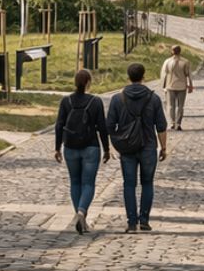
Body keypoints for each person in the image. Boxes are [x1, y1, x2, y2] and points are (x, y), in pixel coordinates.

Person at [106, 62, 169, 233]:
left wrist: (114, 144)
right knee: (147, 183)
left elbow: (109, 125)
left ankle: (131, 222)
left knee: (129, 184)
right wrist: (163, 147)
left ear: (128, 77)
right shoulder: (153, 99)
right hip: (148, 146)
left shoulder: (118, 99)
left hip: (127, 147)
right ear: (143, 76)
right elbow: (161, 126)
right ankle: (144, 220)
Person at [53, 67, 111, 234]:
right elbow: (102, 127)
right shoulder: (95, 101)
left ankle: (80, 217)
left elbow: (59, 125)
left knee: (75, 182)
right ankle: (81, 212)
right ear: (88, 83)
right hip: (91, 146)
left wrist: (57, 148)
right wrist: (106, 149)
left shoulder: (66, 101)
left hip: (70, 147)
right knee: (88, 183)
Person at [158, 45, 195, 130]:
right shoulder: (185, 62)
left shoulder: (167, 61)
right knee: (181, 106)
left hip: (170, 85)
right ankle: (178, 123)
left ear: (172, 51)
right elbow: (189, 74)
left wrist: (163, 86)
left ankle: (172, 122)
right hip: (182, 86)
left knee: (171, 105)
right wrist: (191, 85)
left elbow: (164, 74)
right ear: (180, 51)